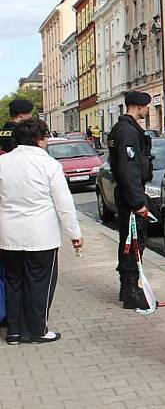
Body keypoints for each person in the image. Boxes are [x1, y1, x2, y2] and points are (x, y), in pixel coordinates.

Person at [0, 119, 83, 344]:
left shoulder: (3, 163)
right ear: (39, 139)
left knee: (13, 282)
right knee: (40, 283)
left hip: (8, 235)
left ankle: (14, 332)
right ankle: (36, 330)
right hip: (41, 235)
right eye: (45, 137)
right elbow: (63, 204)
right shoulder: (49, 166)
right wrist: (75, 234)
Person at [107, 92, 153, 310]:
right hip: (130, 195)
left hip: (128, 192)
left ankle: (128, 289)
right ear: (138, 106)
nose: (147, 110)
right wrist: (138, 202)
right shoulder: (127, 131)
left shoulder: (123, 128)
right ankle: (131, 290)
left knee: (129, 241)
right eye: (146, 107)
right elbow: (128, 169)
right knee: (134, 242)